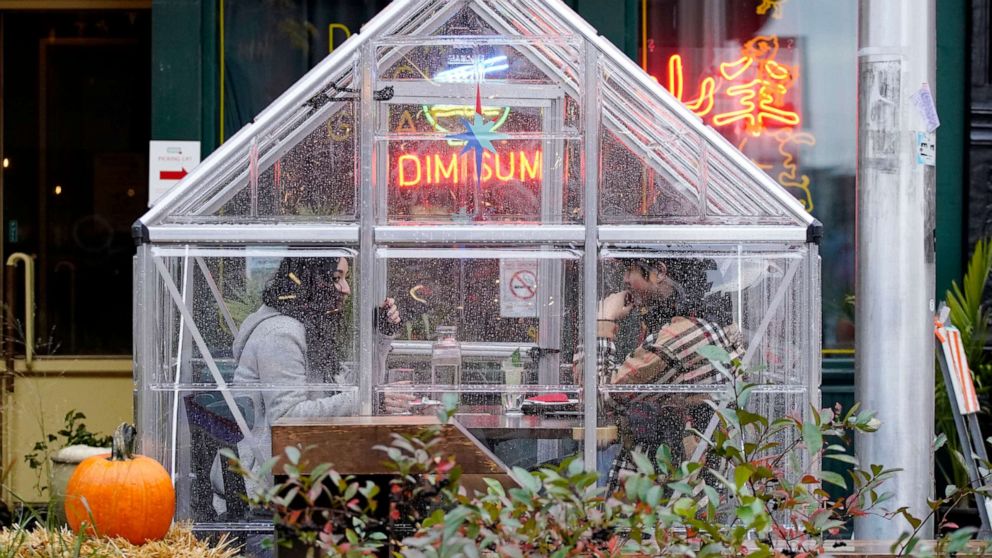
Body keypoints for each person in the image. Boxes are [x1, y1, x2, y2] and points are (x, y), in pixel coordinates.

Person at [232, 256, 413, 484]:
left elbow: (346, 390)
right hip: (267, 484)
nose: (346, 289)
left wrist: (380, 337)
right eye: (336, 278)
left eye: (345, 279)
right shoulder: (280, 334)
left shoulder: (307, 326)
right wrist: (368, 399)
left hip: (305, 467)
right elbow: (286, 419)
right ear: (311, 281)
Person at [587, 257, 745, 493]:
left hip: (672, 489)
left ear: (659, 271)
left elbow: (596, 399)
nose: (625, 279)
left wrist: (601, 321)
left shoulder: (681, 337)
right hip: (675, 476)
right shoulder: (696, 319)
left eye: (630, 270)